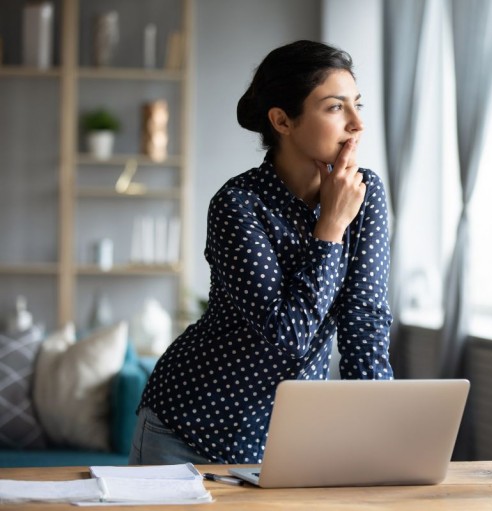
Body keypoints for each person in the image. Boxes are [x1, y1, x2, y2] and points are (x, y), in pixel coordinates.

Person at [130, 40, 394, 465]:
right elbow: (286, 337)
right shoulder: (238, 204)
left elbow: (365, 321)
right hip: (190, 426)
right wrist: (330, 229)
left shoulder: (367, 193)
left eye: (357, 105)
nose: (357, 123)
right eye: (334, 107)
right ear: (282, 121)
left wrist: (379, 437)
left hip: (286, 439)